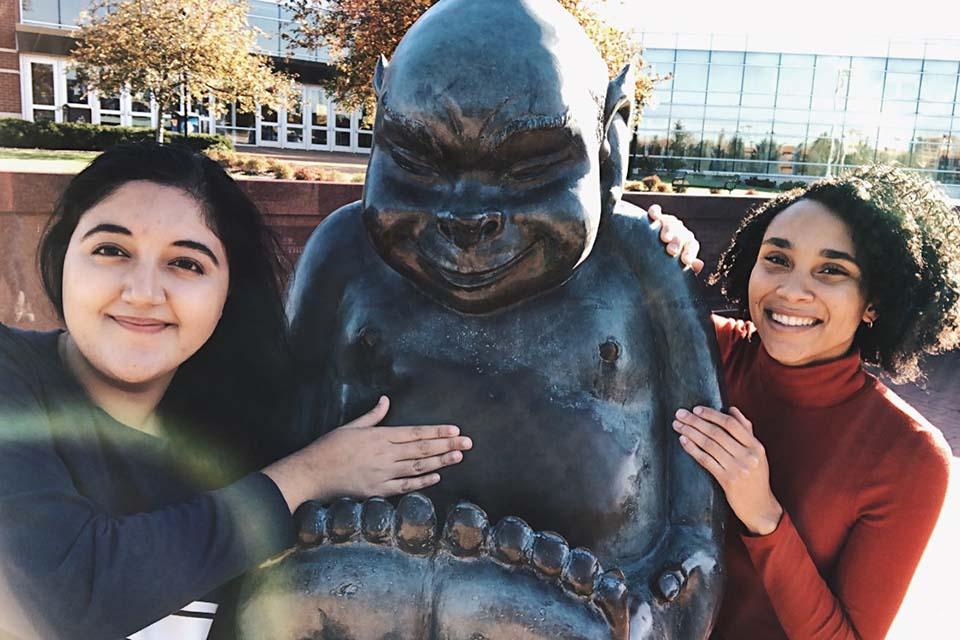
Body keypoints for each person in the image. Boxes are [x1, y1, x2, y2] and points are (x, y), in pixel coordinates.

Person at [0, 143, 473, 640]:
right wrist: (311, 475)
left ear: (228, 293)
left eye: (186, 263)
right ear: (62, 257)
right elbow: (64, 598)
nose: (142, 291)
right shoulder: (11, 374)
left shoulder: (245, 430)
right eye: (111, 250)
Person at [661, 165, 957, 639]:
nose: (791, 291)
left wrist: (764, 518)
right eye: (777, 259)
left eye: (832, 270)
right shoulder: (699, 347)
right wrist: (649, 245)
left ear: (874, 301)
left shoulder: (911, 456)